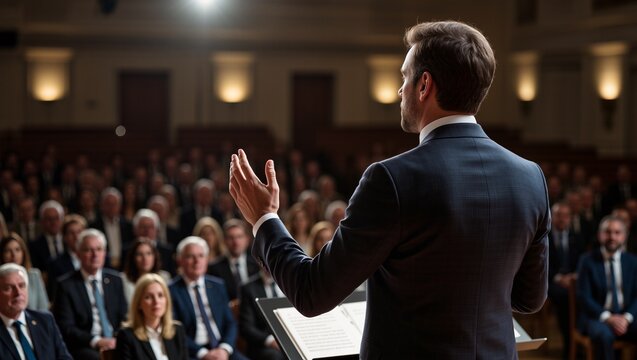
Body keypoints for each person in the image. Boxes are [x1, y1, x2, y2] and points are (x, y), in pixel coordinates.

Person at [228, 21, 550, 358]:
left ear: (424, 84)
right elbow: (529, 299)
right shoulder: (530, 177)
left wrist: (265, 219)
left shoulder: (392, 179)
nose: (399, 91)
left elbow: (312, 293)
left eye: (404, 77)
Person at [53, 228, 128, 360]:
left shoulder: (116, 280)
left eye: (99, 249)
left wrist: (116, 339)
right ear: (78, 254)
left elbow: (124, 317)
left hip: (116, 342)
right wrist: (97, 341)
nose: (95, 255)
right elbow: (66, 327)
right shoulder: (66, 285)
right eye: (88, 250)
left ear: (105, 253)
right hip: (86, 346)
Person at [169, 236, 247, 360]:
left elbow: (230, 322)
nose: (197, 261)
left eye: (201, 256)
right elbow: (173, 331)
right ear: (180, 261)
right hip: (193, 353)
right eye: (190, 256)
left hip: (222, 350)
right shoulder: (171, 290)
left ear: (206, 259)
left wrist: (225, 348)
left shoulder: (217, 285)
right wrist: (203, 353)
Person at [576, 216, 637, 360]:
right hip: (597, 317)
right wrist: (608, 317)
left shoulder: (632, 261)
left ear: (624, 236)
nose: (612, 237)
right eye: (607, 232)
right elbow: (583, 297)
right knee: (604, 336)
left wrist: (626, 318)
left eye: (617, 232)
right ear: (600, 235)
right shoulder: (587, 261)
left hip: (625, 316)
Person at [0, 263, 72, 360]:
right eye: (9, 288)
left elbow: (64, 357)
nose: (18, 293)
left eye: (22, 286)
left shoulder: (45, 320)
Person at [116, 273, 188, 360]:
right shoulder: (126, 336)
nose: (156, 302)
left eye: (160, 295)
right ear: (138, 303)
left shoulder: (177, 330)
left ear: (167, 300)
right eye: (148, 297)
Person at [547, 202, 583, 359]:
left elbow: (582, 262)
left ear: (570, 218)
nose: (562, 219)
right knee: (565, 298)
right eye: (558, 215)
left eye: (566, 216)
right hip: (551, 282)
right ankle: (570, 345)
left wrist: (574, 276)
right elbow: (539, 265)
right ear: (551, 217)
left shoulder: (576, 237)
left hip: (573, 281)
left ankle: (576, 342)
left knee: (582, 295)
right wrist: (559, 278)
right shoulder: (543, 238)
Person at [208, 219, 260, 301]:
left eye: (239, 237)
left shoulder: (258, 265)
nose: (236, 242)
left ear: (247, 239)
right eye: (231, 238)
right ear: (224, 241)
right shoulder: (214, 268)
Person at [239, 270, 284, 360]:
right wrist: (270, 340)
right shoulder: (248, 288)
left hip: (289, 341)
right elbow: (246, 327)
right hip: (262, 344)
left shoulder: (289, 284)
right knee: (276, 357)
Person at [0, 233, 49, 311]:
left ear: (23, 252)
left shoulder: (34, 275)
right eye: (8, 251)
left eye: (17, 250)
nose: (14, 255)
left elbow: (43, 308)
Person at [121, 238, 171, 303]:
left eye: (149, 253)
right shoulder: (123, 279)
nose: (145, 258)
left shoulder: (165, 277)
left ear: (154, 256)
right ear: (133, 258)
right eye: (139, 254)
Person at [29, 200, 65, 270]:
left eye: (56, 218)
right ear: (42, 221)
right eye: (49, 219)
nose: (53, 222)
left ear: (62, 220)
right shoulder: (34, 246)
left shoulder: (69, 241)